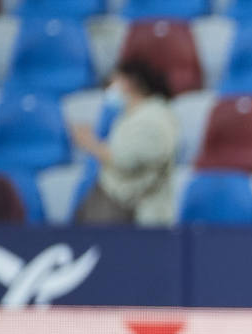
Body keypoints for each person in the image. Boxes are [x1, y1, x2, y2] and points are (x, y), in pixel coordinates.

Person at [70, 58, 180, 226]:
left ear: (130, 82)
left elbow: (126, 160)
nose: (110, 88)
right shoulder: (133, 114)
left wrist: (89, 143)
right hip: (117, 204)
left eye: (115, 81)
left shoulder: (153, 118)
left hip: (131, 211)